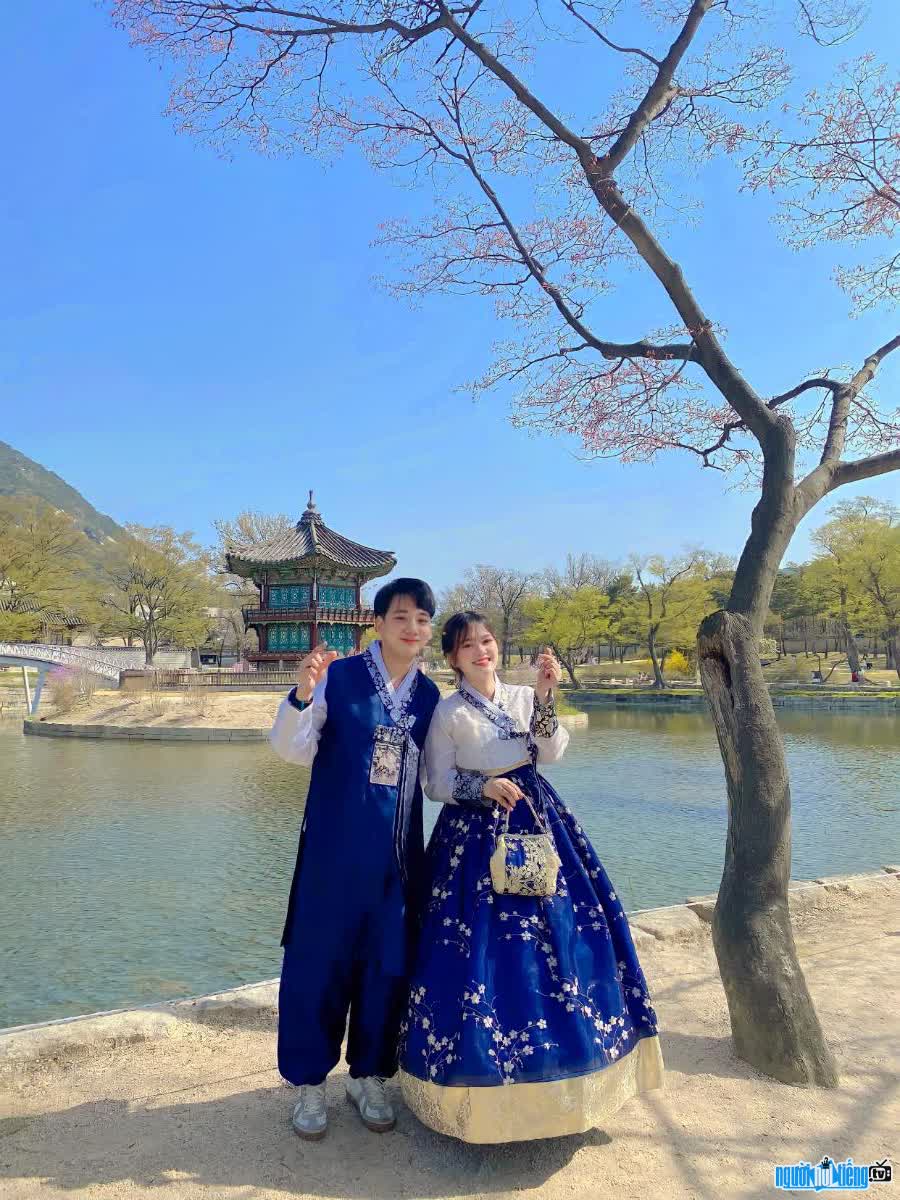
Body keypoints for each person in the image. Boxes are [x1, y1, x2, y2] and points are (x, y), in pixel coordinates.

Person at [399, 612, 664, 1143]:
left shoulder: (523, 696)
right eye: (468, 645)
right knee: (477, 951)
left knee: (561, 939)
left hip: (537, 821)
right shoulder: (448, 711)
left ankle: (571, 1078)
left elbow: (550, 752)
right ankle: (472, 1086)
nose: (481, 651)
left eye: (488, 641)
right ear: (452, 657)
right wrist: (482, 787)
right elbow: (435, 781)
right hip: (473, 838)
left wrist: (546, 697)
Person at [269, 578, 440, 1140]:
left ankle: (369, 1074)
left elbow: (437, 779)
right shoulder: (337, 678)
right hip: (332, 854)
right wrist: (300, 693)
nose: (411, 628)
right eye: (400, 617)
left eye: (421, 619)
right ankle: (309, 1084)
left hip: (397, 860)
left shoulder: (429, 696)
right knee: (319, 964)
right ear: (377, 623)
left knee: (386, 967)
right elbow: (292, 751)